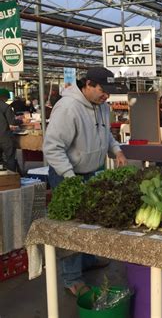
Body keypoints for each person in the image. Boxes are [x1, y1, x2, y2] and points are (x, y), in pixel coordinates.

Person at [43, 66, 128, 296]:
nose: (107, 95)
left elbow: (106, 134)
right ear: (88, 84)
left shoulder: (101, 106)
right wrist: (70, 179)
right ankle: (72, 278)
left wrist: (117, 151)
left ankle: (87, 259)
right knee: (72, 228)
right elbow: (52, 148)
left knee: (89, 222)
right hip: (67, 175)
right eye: (103, 90)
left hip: (91, 172)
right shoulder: (68, 107)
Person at [0, 89, 22, 171]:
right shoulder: (6, 106)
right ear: (3, 97)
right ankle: (11, 177)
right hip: (4, 137)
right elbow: (12, 121)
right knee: (10, 158)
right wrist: (22, 120)